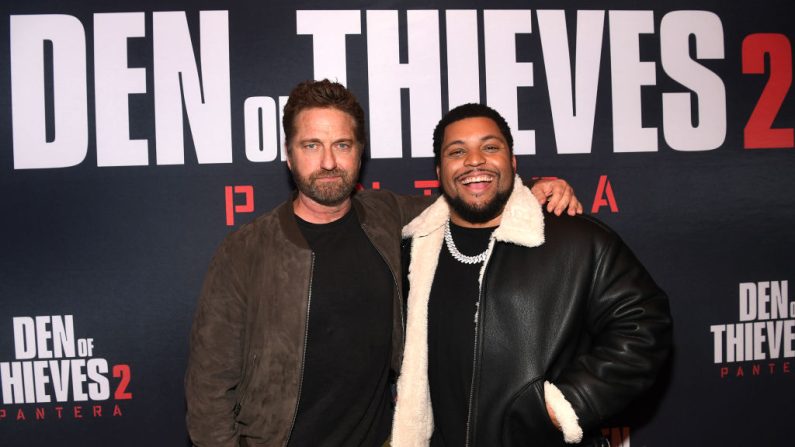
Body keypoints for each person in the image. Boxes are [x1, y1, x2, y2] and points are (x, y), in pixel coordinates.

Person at [184, 80, 582, 446]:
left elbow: (470, 196)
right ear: (289, 156)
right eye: (311, 146)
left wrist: (532, 188)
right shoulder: (246, 250)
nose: (327, 162)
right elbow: (209, 390)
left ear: (360, 153)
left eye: (342, 144)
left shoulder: (391, 218)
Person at [391, 103, 673, 447]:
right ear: (439, 170)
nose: (475, 160)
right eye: (457, 151)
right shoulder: (415, 250)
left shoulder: (576, 240)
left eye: (490, 147)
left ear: (512, 162)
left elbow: (645, 326)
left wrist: (563, 406)